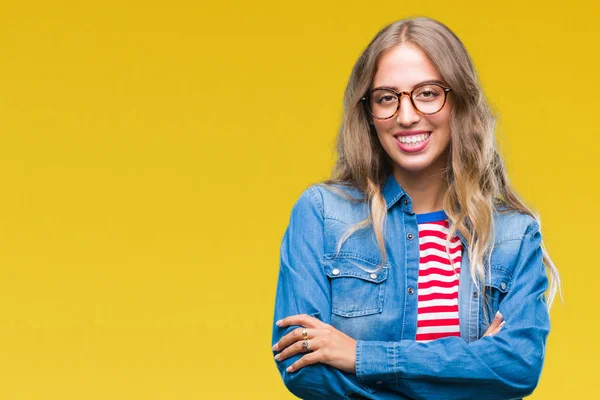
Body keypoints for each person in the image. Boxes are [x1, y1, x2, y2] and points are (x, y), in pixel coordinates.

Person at [271, 16, 560, 400]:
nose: (406, 117)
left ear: (458, 100)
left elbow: (518, 367)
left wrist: (359, 356)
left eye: (427, 93)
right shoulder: (321, 215)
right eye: (387, 98)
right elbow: (303, 372)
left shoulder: (512, 234)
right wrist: (469, 372)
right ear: (369, 113)